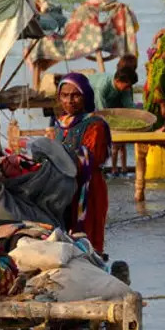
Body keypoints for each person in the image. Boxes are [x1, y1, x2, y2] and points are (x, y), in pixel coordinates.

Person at [45, 72, 111, 253]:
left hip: (88, 188)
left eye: (75, 95)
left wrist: (58, 157)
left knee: (88, 235)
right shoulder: (60, 123)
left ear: (86, 96)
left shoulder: (95, 124)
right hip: (65, 187)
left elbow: (89, 157)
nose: (69, 100)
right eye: (64, 96)